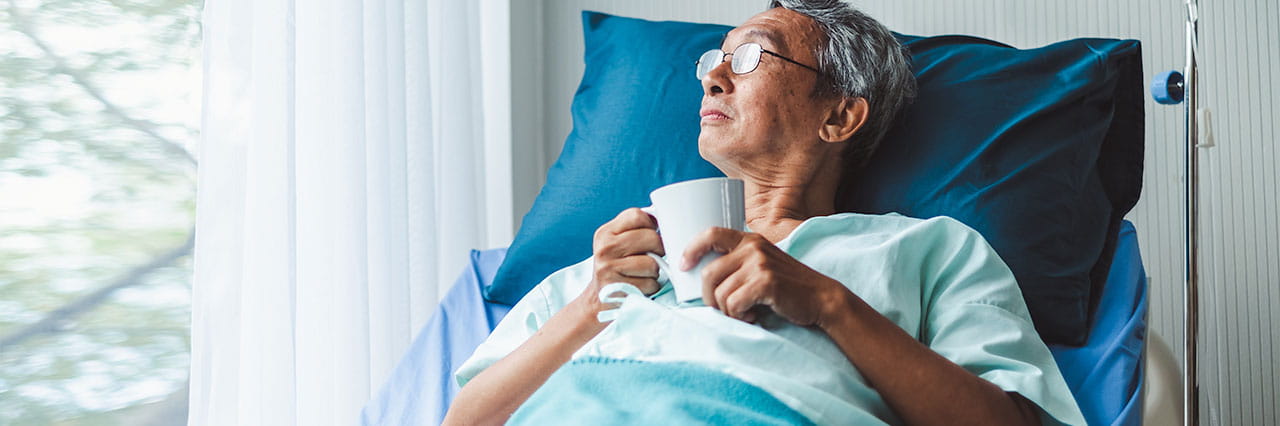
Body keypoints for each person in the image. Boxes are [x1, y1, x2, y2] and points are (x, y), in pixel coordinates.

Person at [445, 1, 1085, 425]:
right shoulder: (616, 262)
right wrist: (591, 306)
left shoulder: (927, 252)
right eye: (713, 60)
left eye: (749, 56)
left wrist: (829, 304)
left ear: (839, 114)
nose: (713, 77)